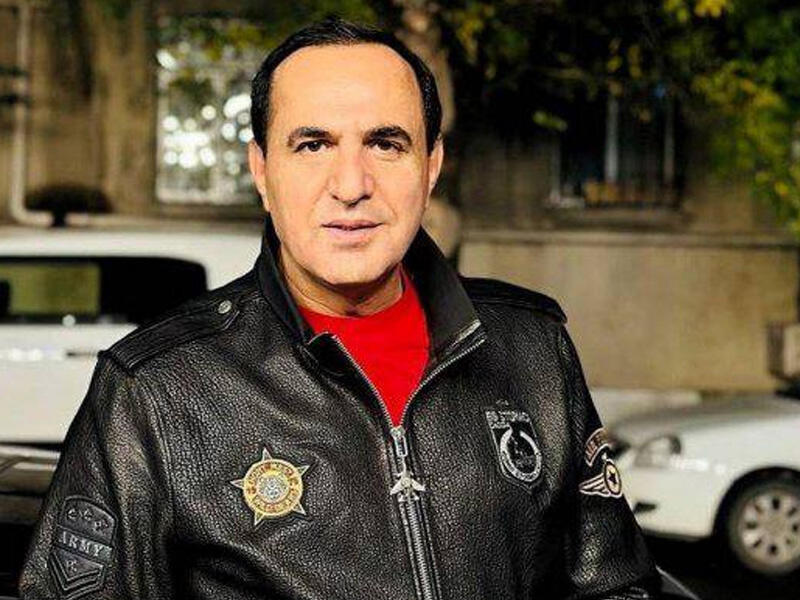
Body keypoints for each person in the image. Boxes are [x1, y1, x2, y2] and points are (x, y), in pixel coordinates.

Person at [19, 17, 660, 600]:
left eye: (386, 144)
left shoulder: (532, 347)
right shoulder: (153, 390)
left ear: (430, 166)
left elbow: (617, 587)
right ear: (262, 170)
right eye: (313, 145)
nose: (351, 186)